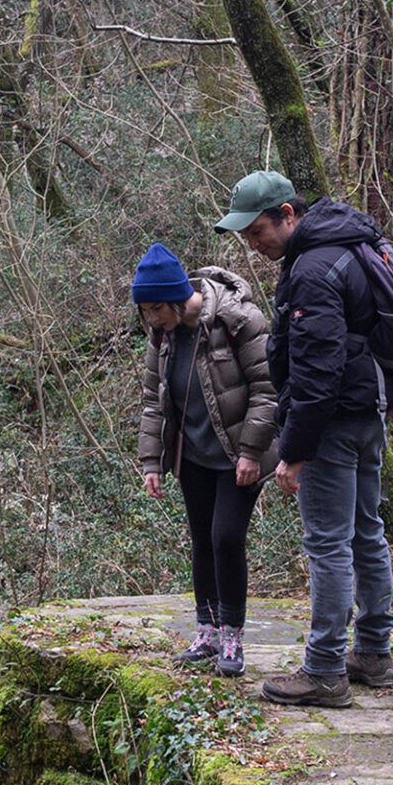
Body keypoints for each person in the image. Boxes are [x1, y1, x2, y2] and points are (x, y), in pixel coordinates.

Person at [216, 171, 393, 707]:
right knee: (367, 532)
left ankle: (323, 669)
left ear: (288, 215)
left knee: (328, 542)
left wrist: (294, 452)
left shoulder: (313, 270)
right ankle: (373, 653)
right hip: (369, 409)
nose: (252, 243)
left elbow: (317, 371)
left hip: (333, 421)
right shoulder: (346, 246)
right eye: (245, 236)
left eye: (257, 230)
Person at [131, 242, 277, 677]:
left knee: (226, 538)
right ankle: (207, 632)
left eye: (156, 309)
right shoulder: (162, 336)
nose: (152, 320)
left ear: (177, 297)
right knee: (201, 541)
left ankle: (232, 635)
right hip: (192, 455)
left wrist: (252, 451)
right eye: (147, 312)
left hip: (237, 455)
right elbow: (153, 402)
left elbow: (268, 391)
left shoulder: (238, 320)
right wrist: (152, 461)